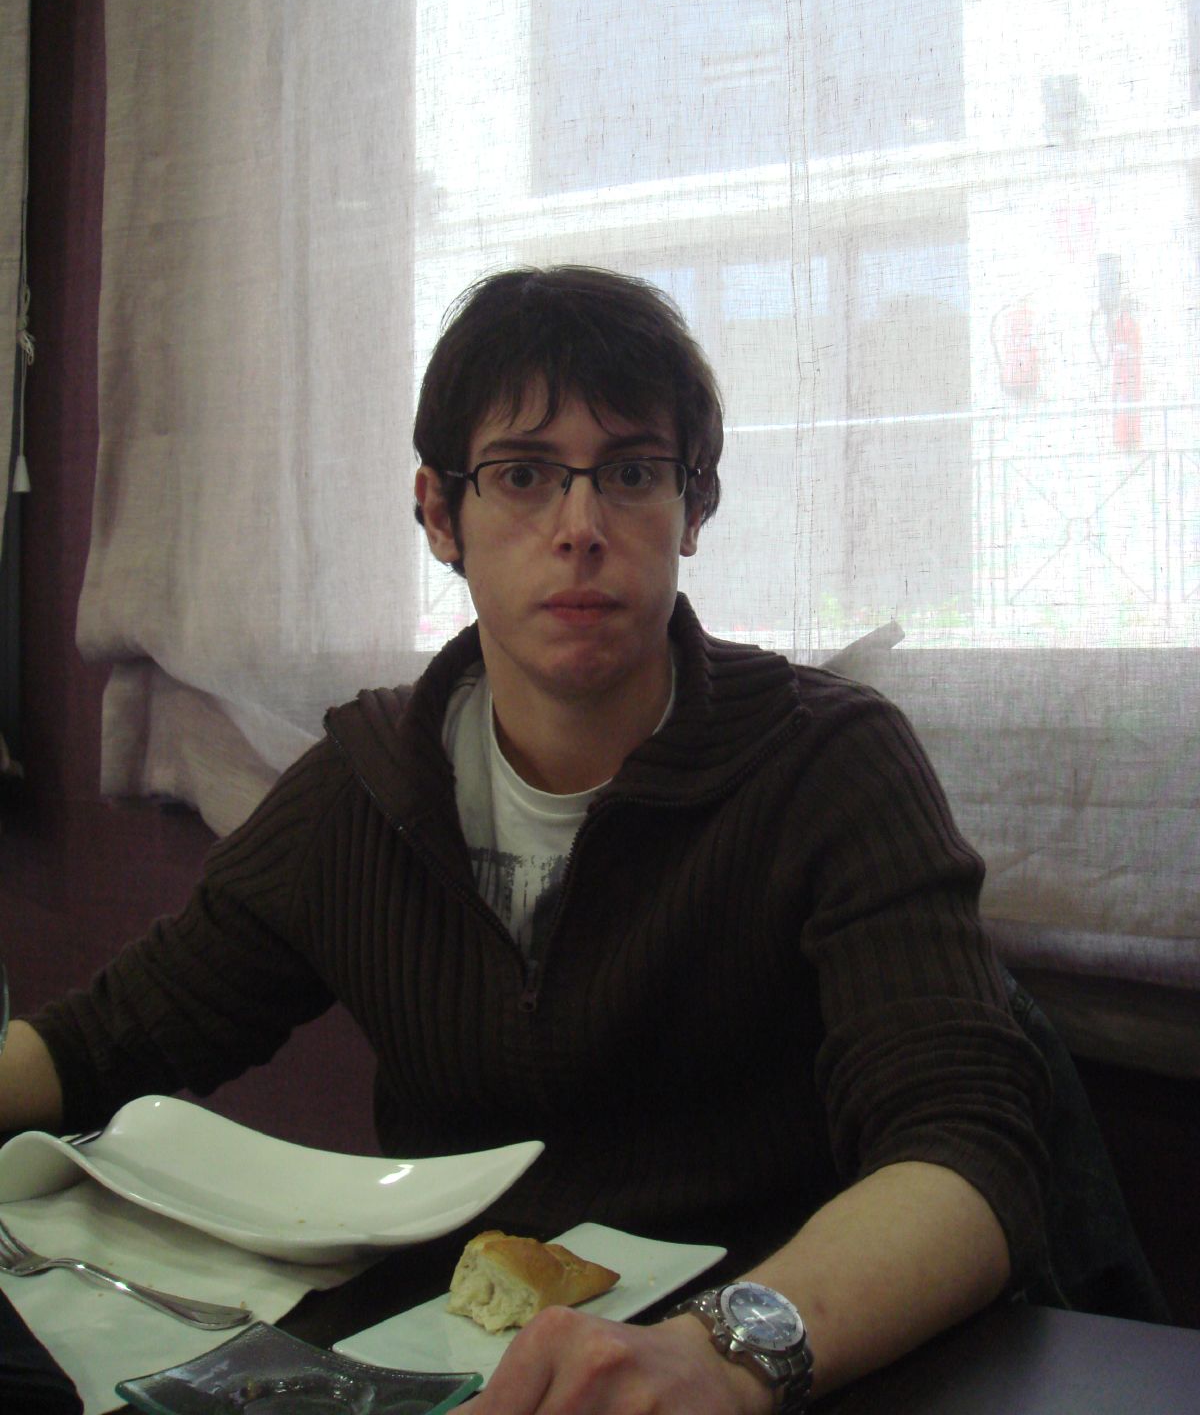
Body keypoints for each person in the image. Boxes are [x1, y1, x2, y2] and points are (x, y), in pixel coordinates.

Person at [0, 266, 1050, 1413]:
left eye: (633, 473)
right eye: (524, 475)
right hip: (459, 1368)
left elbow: (966, 1156)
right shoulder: (363, 788)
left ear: (695, 508)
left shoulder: (829, 764)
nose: (581, 527)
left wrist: (725, 1353)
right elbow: (104, 1042)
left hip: (780, 1361)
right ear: (441, 514)